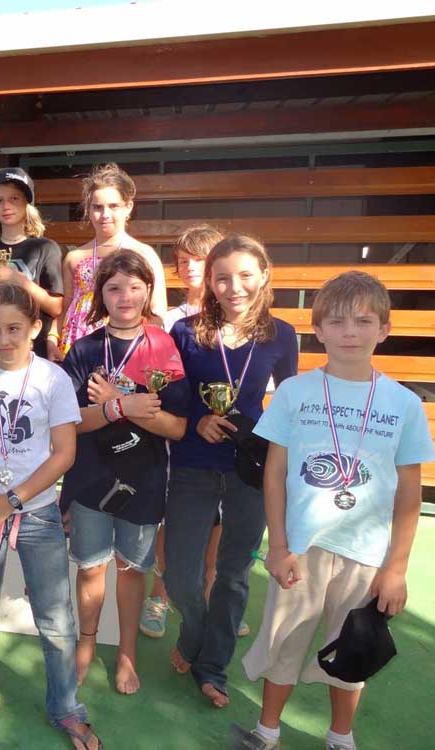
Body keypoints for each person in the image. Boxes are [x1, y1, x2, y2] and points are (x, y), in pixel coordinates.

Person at [233, 271, 435, 750]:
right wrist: (278, 546)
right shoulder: (294, 392)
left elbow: (409, 495)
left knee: (353, 648)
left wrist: (396, 569)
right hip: (301, 548)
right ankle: (267, 732)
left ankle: (341, 738)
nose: (350, 333)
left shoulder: (404, 404)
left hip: (366, 554)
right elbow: (274, 473)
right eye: (338, 322)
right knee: (285, 642)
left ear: (384, 330)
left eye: (364, 322)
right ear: (318, 330)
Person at [0, 283, 101, 750]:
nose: (3, 339)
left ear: (36, 327)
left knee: (55, 618)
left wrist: (10, 502)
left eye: (14, 328)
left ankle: (66, 707)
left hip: (35, 513)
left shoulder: (53, 379)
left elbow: (64, 453)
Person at [165, 235, 298, 708]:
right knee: (180, 576)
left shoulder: (281, 334)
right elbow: (172, 396)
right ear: (209, 281)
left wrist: (268, 439)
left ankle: (213, 667)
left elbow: (290, 401)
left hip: (250, 468)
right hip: (192, 462)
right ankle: (195, 634)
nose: (234, 287)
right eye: (222, 277)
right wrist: (196, 420)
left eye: (245, 275)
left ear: (264, 276)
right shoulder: (185, 332)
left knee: (234, 572)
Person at [61, 251, 190, 695]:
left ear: (148, 291)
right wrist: (119, 407)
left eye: (135, 287)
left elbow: (176, 427)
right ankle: (86, 643)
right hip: (91, 478)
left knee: (132, 570)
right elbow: (71, 421)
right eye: (114, 287)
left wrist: (123, 405)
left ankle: (127, 654)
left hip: (144, 478)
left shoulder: (163, 347)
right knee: (91, 568)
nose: (125, 296)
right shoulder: (84, 349)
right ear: (100, 294)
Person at [142, 225, 226, 640]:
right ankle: (159, 596)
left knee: (217, 520)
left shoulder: (238, 318)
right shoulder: (169, 321)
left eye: (198, 258)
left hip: (221, 439)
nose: (189, 266)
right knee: (170, 518)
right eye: (182, 260)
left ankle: (210, 593)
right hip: (179, 437)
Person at [49, 163, 165, 360]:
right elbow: (65, 307)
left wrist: (139, 351)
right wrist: (52, 339)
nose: (105, 215)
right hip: (75, 348)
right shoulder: (74, 257)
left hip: (125, 349)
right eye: (97, 207)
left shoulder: (144, 254)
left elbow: (157, 311)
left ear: (128, 207)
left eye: (113, 206)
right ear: (88, 209)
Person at [0, 167, 63, 359]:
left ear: (28, 204)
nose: (6, 206)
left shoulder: (46, 248)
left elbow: (56, 307)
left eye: (14, 199)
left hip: (32, 353)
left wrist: (19, 280)